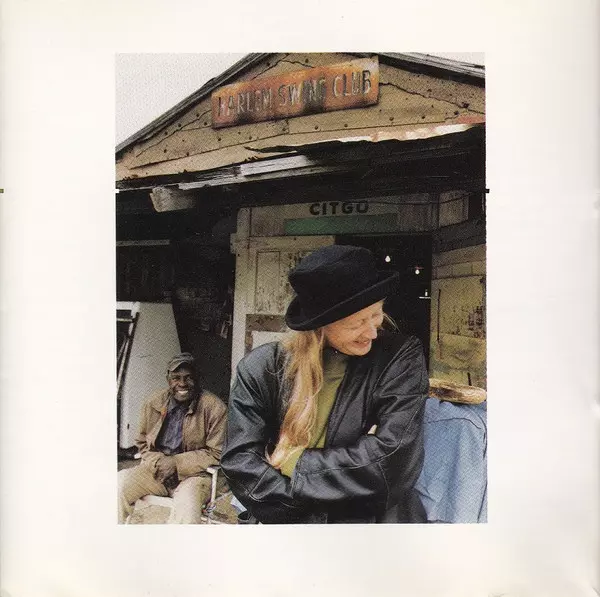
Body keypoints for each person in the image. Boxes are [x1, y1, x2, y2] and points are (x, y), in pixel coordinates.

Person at [221, 245, 429, 524]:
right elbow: (240, 464)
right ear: (320, 325)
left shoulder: (399, 357)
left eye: (376, 314)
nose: (372, 332)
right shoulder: (260, 368)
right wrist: (315, 509)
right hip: (289, 523)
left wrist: (295, 463)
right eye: (356, 323)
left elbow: (392, 462)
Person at [118, 353, 227, 523]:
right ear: (168, 379)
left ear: (198, 378)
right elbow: (142, 442)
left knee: (187, 508)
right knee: (116, 486)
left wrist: (176, 463)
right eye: (176, 378)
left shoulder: (214, 408)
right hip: (157, 471)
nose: (182, 383)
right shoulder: (153, 402)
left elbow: (217, 453)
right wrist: (160, 463)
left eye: (188, 377)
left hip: (196, 475)